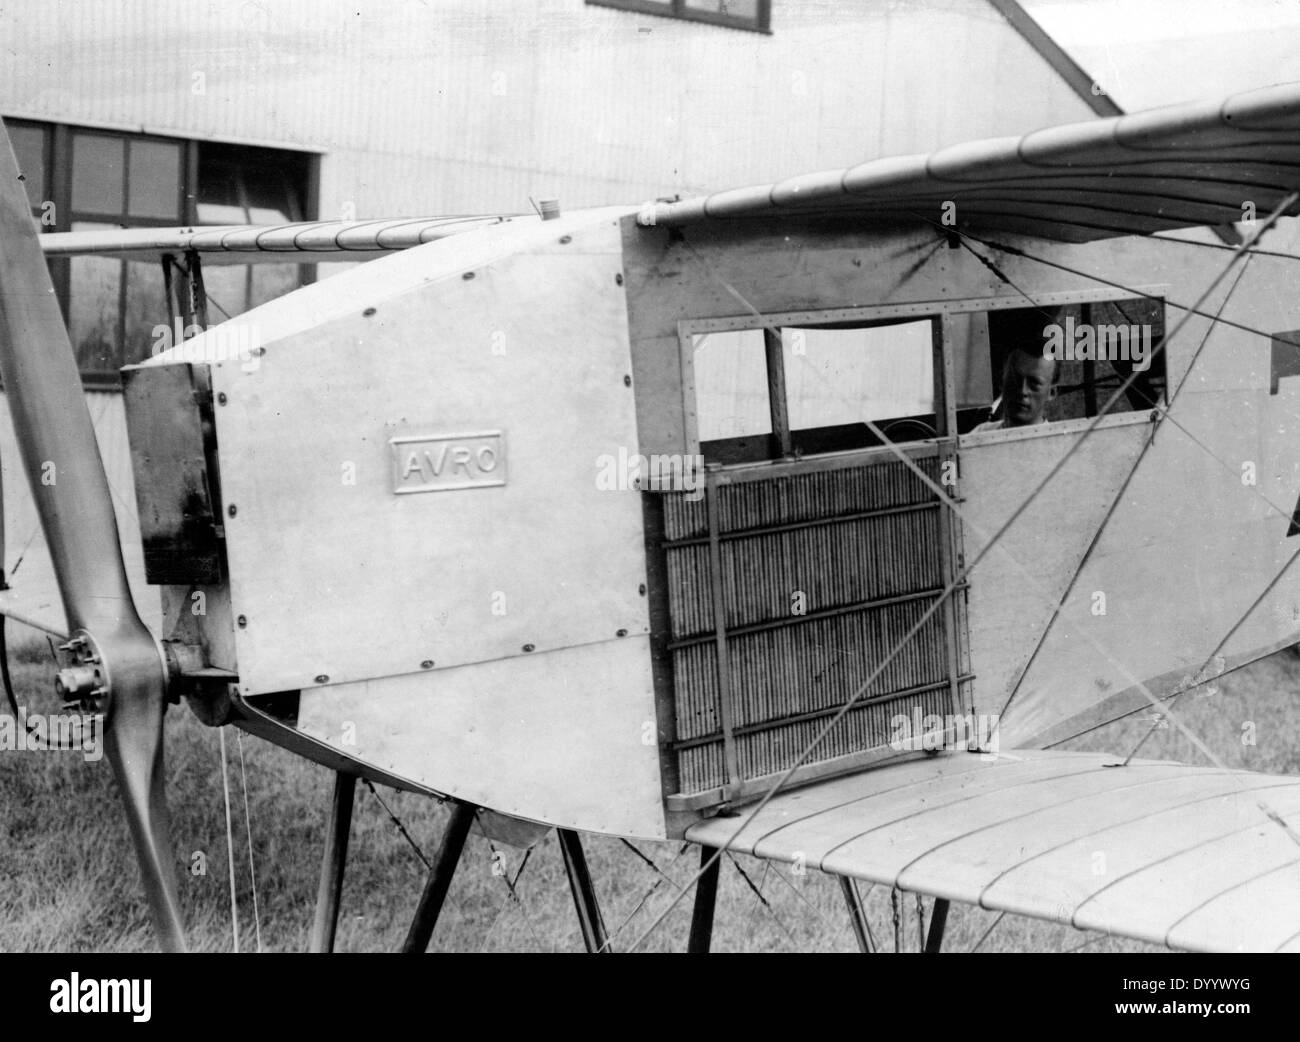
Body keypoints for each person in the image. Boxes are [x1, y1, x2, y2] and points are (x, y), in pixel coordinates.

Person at [971, 347, 1057, 432]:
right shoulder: (980, 434)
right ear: (1001, 382)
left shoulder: (1062, 443)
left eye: (1034, 383)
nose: (1022, 391)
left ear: (1051, 393)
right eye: (1014, 379)